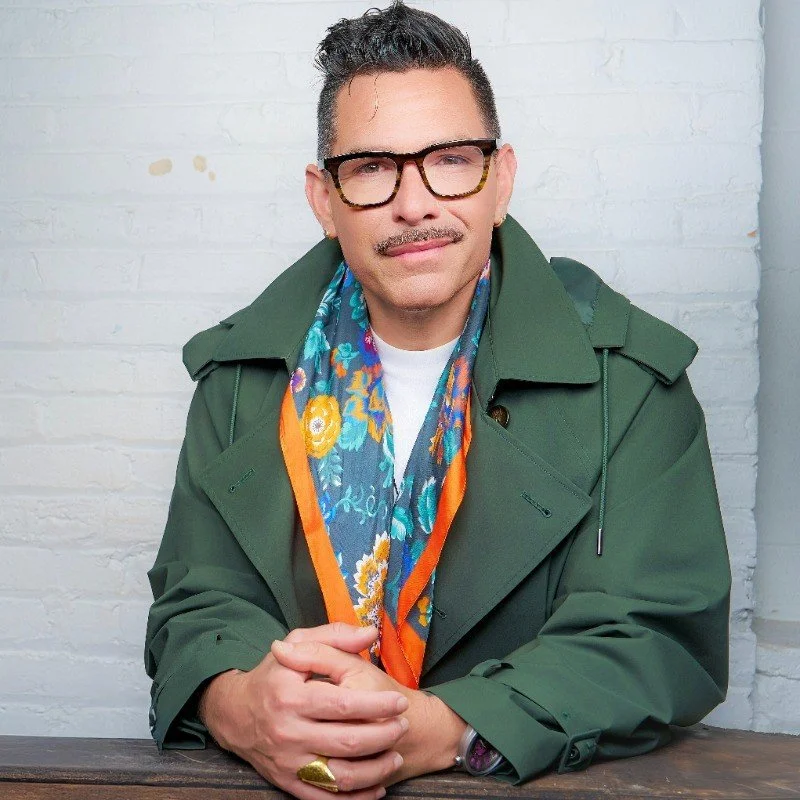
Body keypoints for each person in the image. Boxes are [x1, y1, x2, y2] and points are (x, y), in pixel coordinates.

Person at [144, 3, 731, 799]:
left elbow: (657, 637)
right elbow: (193, 606)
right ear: (325, 198)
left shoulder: (629, 381)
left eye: (451, 160)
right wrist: (242, 704)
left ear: (502, 178)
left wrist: (449, 726)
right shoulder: (240, 377)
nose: (415, 203)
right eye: (373, 167)